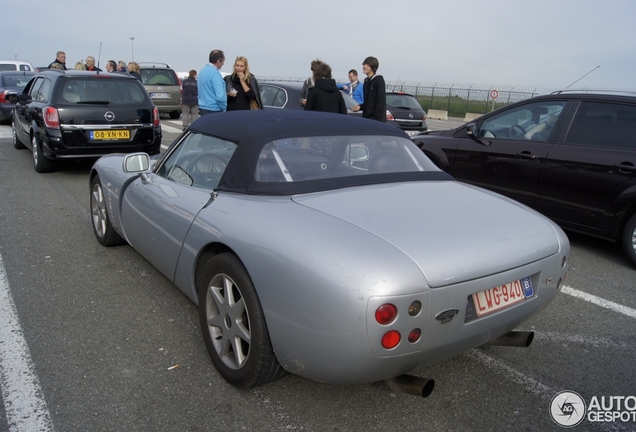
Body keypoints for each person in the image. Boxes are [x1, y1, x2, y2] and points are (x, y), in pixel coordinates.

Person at [351, 56, 386, 122]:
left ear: (373, 67)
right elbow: (368, 102)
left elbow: (380, 102)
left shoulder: (379, 80)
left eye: (367, 65)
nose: (364, 66)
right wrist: (360, 107)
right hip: (367, 119)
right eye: (364, 64)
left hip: (376, 120)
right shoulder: (366, 82)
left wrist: (376, 118)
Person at [197, 50, 227, 115]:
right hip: (214, 109)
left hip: (202, 107)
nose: (223, 64)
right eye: (223, 61)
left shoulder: (202, 71)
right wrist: (224, 108)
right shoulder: (215, 74)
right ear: (218, 61)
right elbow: (220, 97)